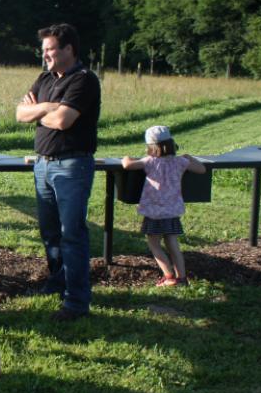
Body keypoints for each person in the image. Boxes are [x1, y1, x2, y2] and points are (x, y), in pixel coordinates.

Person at [15, 23, 100, 321]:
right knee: (50, 232)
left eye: (51, 49)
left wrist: (41, 110)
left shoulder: (84, 80)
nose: (46, 55)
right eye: (44, 50)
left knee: (72, 234)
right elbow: (19, 113)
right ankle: (57, 282)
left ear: (69, 49)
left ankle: (76, 302)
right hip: (43, 164)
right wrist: (48, 106)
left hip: (72, 165)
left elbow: (63, 121)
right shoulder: (44, 78)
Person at [121, 125, 206, 286]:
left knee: (154, 244)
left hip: (154, 212)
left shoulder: (150, 162)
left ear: (151, 147)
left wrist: (126, 157)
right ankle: (181, 278)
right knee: (172, 243)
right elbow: (201, 169)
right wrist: (189, 157)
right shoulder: (180, 161)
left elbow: (127, 165)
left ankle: (169, 276)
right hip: (172, 211)